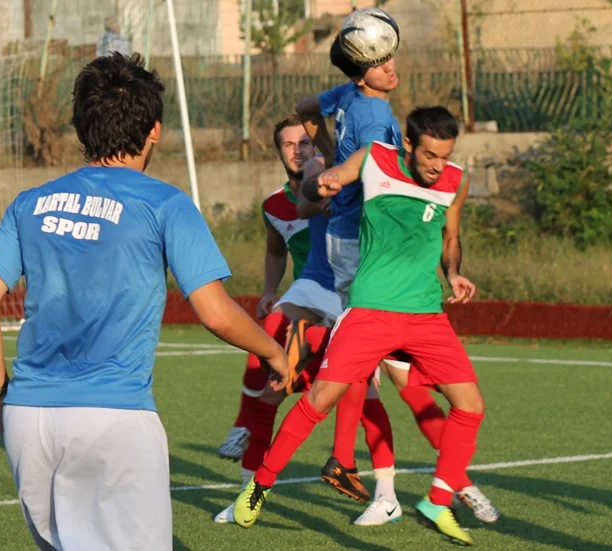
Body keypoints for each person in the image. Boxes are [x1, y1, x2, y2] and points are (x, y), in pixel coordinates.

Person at [0, 52, 288, 551]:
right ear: (154, 130)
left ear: (80, 127)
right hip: (114, 418)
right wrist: (273, 352)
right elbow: (215, 311)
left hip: (29, 418)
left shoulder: (29, 203)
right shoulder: (165, 203)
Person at [233, 106, 485, 545]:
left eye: (445, 156)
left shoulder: (455, 180)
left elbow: (451, 237)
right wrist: (322, 182)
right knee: (319, 399)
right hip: (370, 311)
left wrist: (454, 273)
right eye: (429, 155)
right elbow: (326, 175)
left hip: (426, 315)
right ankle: (260, 485)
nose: (437, 166)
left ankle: (437, 500)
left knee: (471, 405)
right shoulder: (375, 159)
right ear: (409, 144)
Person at [296, 36, 499, 524]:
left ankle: (397, 485)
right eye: (378, 60)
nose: (390, 65)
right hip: (364, 255)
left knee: (388, 381)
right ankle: (414, 484)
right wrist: (333, 173)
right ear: (360, 72)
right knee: (390, 381)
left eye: (388, 55)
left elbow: (306, 110)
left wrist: (329, 164)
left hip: (359, 253)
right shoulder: (374, 118)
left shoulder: (348, 96)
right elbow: (343, 185)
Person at [214, 117, 398, 526]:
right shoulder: (281, 200)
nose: (298, 150)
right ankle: (247, 489)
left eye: (306, 142)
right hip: (313, 292)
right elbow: (285, 233)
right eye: (288, 144)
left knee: (376, 395)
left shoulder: (353, 171)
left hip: (361, 297)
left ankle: (389, 493)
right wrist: (269, 289)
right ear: (278, 152)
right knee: (271, 377)